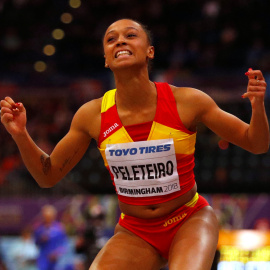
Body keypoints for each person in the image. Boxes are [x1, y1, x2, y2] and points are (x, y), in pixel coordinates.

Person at [0, 18, 269, 270]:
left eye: (131, 36)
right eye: (111, 39)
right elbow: (48, 176)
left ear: (150, 51)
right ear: (106, 59)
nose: (120, 42)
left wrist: (258, 107)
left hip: (189, 219)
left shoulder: (188, 101)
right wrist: (21, 134)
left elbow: (255, 144)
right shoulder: (91, 116)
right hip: (135, 230)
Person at [33, 205, 68, 270]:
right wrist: (41, 239)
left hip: (56, 259)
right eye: (45, 216)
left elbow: (64, 243)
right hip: (43, 258)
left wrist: (57, 253)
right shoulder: (39, 228)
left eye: (49, 216)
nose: (47, 218)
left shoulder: (59, 227)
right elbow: (36, 242)